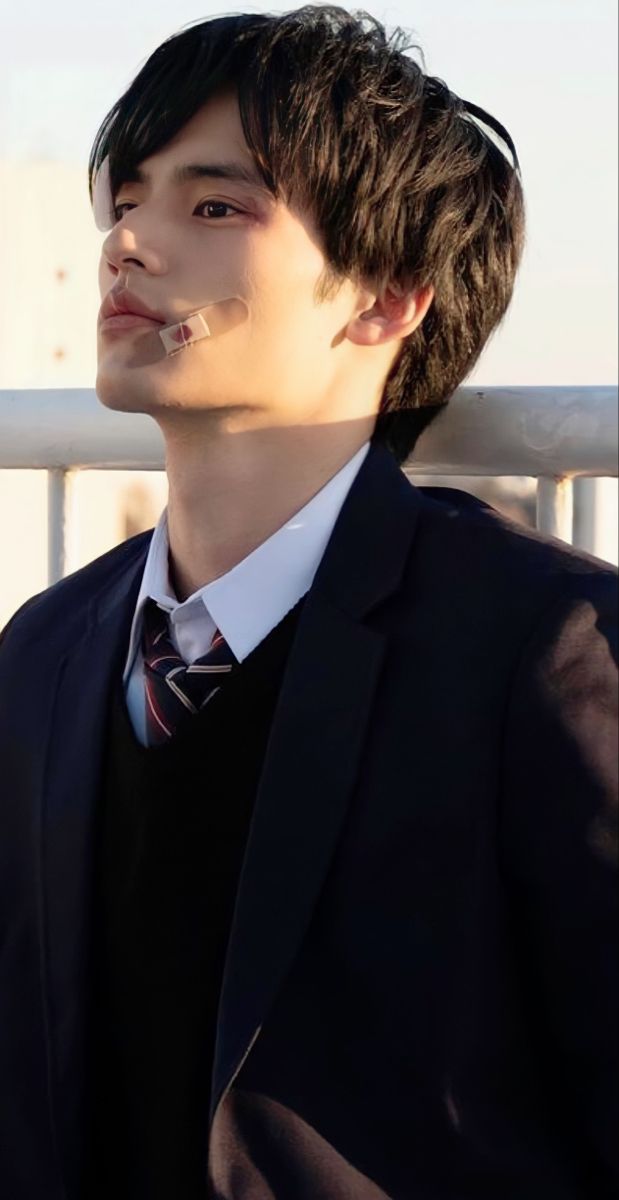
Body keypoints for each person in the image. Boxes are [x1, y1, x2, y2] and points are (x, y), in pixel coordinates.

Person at [0, 7, 616, 1198]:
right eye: (126, 198)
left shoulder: (542, 650)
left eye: (213, 205)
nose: (128, 240)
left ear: (386, 298)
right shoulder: (46, 651)